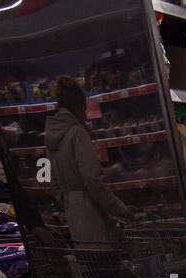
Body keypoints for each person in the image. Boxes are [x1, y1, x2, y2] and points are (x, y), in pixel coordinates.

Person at [46, 75, 132, 244]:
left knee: (91, 265)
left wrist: (71, 205)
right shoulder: (77, 133)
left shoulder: (51, 137)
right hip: (95, 221)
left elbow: (53, 183)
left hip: (75, 222)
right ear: (79, 106)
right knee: (108, 266)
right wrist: (121, 210)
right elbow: (93, 181)